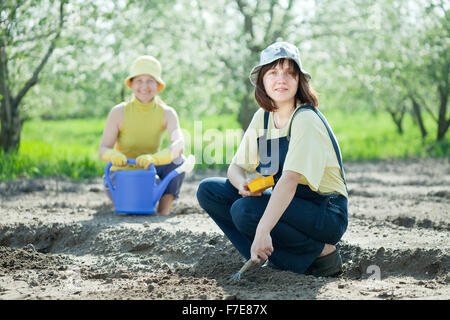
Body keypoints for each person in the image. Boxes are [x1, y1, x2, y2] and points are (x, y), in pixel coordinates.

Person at [196, 42, 348, 276]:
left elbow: (288, 180)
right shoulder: (264, 117)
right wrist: (242, 185)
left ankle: (320, 253)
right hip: (291, 202)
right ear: (262, 81)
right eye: (273, 73)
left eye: (289, 73)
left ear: (299, 81)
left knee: (245, 211)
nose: (281, 79)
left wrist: (262, 229)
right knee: (210, 191)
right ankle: (261, 256)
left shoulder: (305, 119)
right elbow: (236, 167)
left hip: (325, 211)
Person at [99, 55, 185, 215]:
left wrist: (155, 159)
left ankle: (162, 213)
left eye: (150, 80)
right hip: (121, 174)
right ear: (131, 84)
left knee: (179, 160)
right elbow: (103, 148)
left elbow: (179, 144)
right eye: (139, 80)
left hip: (148, 168)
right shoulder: (119, 112)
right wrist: (113, 155)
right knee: (133, 206)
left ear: (158, 86)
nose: (144, 86)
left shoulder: (167, 113)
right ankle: (132, 206)